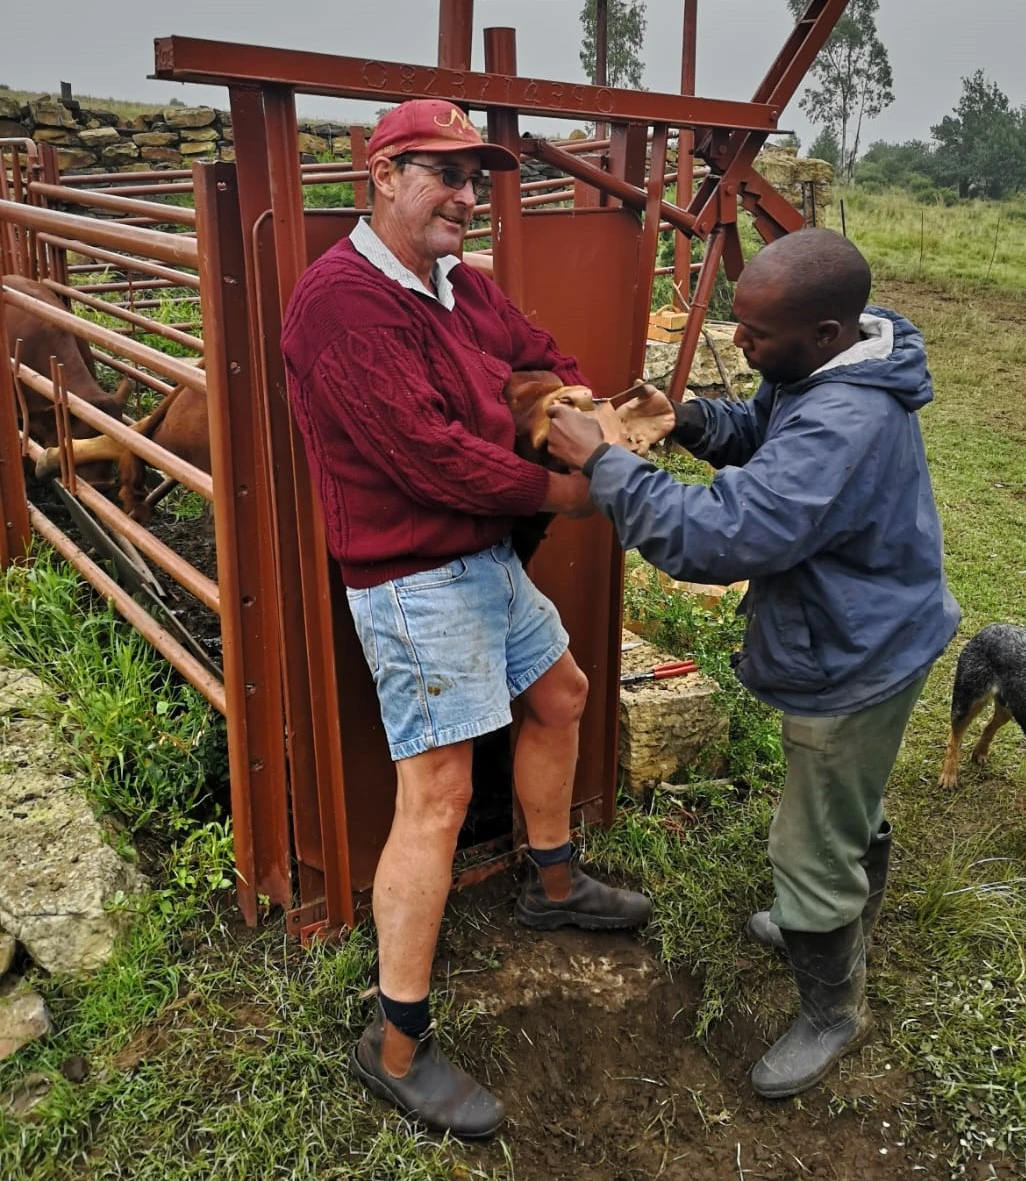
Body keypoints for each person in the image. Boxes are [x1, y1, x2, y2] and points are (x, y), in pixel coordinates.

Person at [280, 98, 650, 1139]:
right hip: (410, 575)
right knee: (437, 792)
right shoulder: (342, 303)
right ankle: (395, 1043)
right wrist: (569, 492)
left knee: (562, 693)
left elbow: (540, 347)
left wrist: (576, 404)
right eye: (443, 172)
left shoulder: (458, 285)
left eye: (475, 176)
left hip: (479, 555)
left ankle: (551, 879)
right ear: (382, 176)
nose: (465, 194)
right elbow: (425, 454)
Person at [545, 227, 960, 1099]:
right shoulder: (825, 369)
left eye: (758, 334)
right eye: (741, 323)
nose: (740, 341)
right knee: (844, 804)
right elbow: (767, 426)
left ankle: (831, 1006)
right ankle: (838, 906)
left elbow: (720, 534)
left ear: (825, 332)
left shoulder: (846, 423)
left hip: (857, 655)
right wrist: (691, 417)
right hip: (869, 627)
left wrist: (606, 460)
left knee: (808, 846)